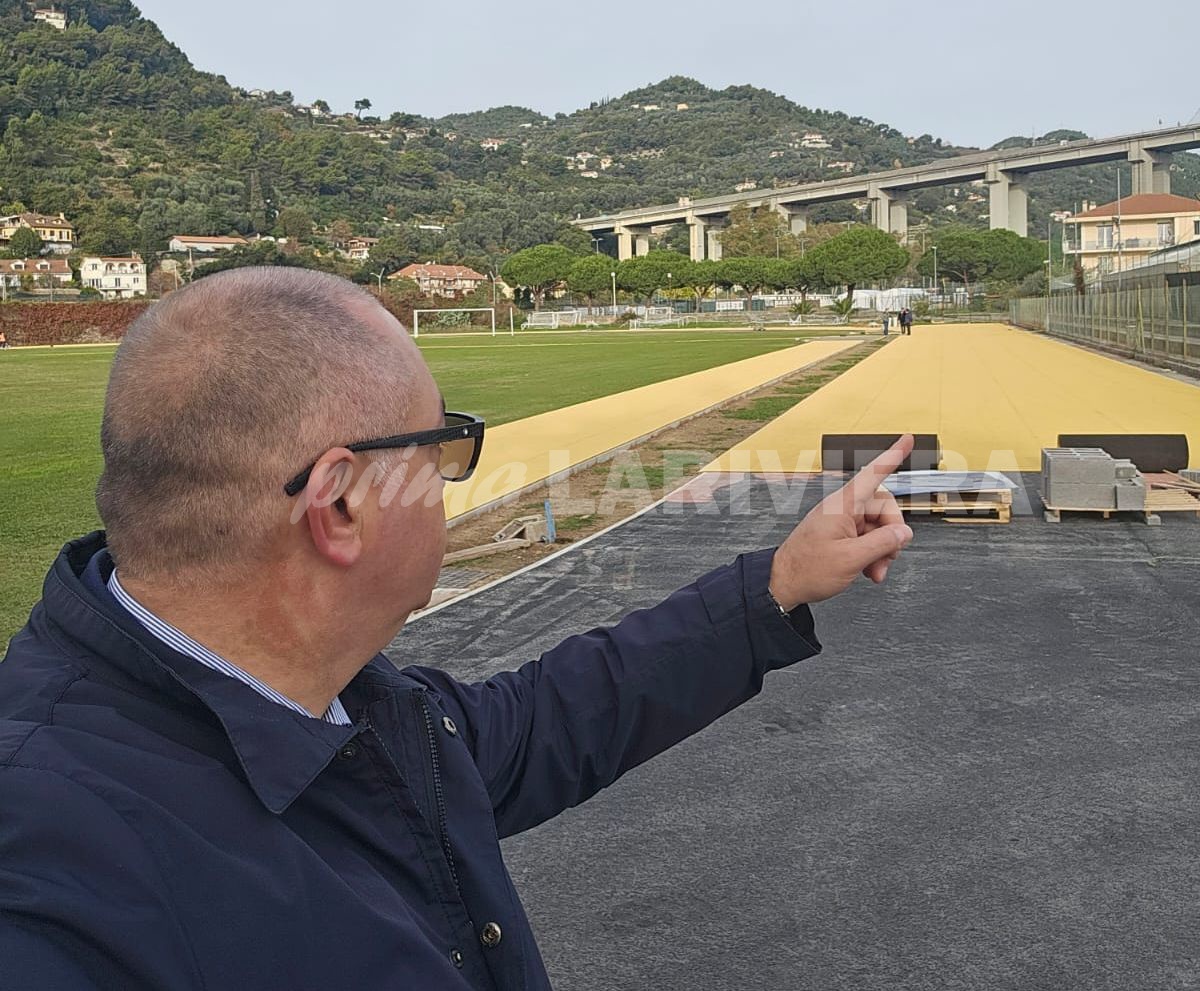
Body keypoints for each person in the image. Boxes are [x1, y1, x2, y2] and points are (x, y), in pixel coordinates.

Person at [0, 268, 914, 989]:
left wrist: (779, 585)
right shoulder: (54, 882)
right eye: (441, 451)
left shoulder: (339, 702)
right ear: (342, 505)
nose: (448, 482)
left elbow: (553, 718)